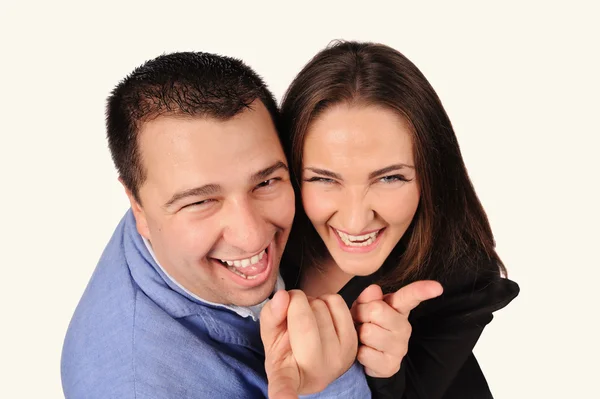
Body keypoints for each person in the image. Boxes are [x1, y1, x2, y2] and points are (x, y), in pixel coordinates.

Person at [60, 51, 372, 399]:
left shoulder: (169, 195)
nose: (250, 234)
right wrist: (329, 384)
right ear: (138, 207)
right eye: (201, 202)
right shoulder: (139, 387)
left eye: (266, 182)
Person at [279, 41, 520, 398]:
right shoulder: (264, 243)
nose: (356, 219)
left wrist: (386, 373)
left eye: (390, 178)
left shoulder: (459, 282)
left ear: (430, 175)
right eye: (324, 179)